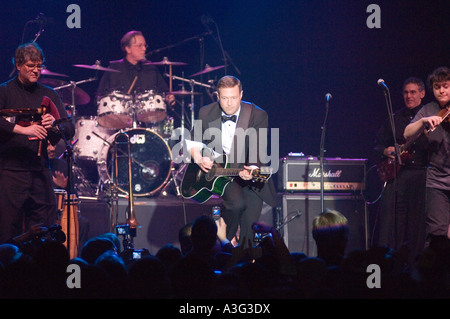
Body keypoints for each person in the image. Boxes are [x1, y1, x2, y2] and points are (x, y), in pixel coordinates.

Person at [186, 75, 277, 247]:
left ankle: (243, 260)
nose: (229, 103)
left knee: (249, 231)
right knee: (236, 204)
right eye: (225, 98)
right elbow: (193, 141)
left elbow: (259, 150)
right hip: (223, 174)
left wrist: (252, 169)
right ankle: (222, 247)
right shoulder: (206, 113)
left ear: (241, 95)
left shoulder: (257, 115)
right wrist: (199, 159)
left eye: (234, 98)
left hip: (249, 174)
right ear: (217, 96)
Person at [0, 42, 75, 244]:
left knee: (45, 230)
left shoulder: (49, 94)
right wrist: (23, 130)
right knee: (7, 230)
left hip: (40, 171)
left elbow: (69, 127)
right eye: (31, 66)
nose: (36, 71)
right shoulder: (5, 92)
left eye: (39, 66)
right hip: (10, 172)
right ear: (18, 65)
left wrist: (54, 125)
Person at [373, 77, 428, 267]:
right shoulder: (394, 118)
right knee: (391, 223)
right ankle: (387, 266)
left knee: (417, 225)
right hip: (397, 176)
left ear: (422, 93)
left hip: (420, 175)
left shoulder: (429, 116)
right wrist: (385, 150)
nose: (408, 96)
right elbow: (377, 145)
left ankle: (415, 267)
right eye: (405, 92)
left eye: (413, 92)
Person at [404, 66, 450, 247]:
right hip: (437, 182)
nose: (442, 90)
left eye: (446, 86)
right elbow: (408, 133)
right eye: (437, 87)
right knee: (436, 234)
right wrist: (423, 121)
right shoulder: (429, 109)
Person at [96, 30, 175, 110]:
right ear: (128, 49)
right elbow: (99, 97)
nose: (144, 49)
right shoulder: (113, 68)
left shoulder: (151, 68)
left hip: (148, 118)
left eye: (145, 45)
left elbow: (165, 92)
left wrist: (169, 97)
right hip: (120, 118)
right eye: (139, 46)